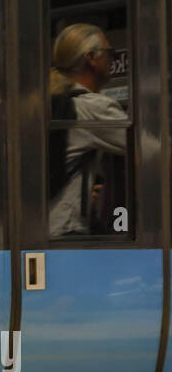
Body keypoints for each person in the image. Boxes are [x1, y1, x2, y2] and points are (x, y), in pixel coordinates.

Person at [48, 23, 126, 239]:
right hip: (67, 231)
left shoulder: (45, 102)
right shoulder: (92, 108)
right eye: (109, 53)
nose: (113, 58)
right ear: (91, 58)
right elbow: (152, 147)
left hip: (34, 231)